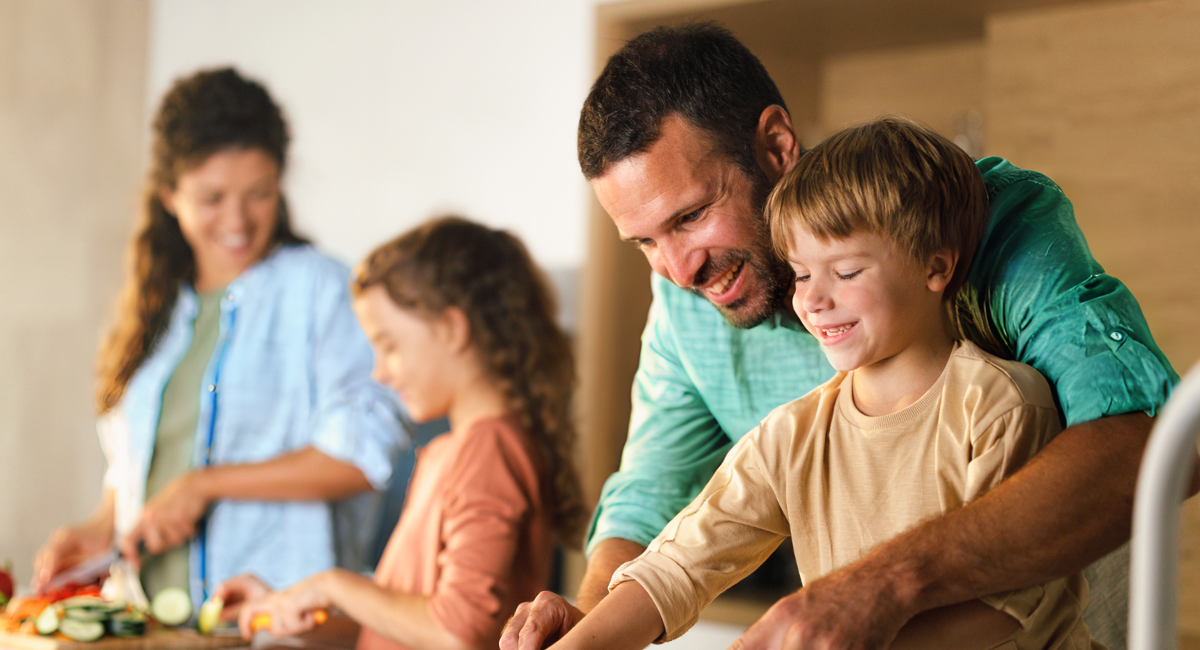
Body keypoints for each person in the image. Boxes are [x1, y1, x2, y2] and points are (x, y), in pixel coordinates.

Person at [503, 23, 1184, 650]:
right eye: (644, 241)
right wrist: (591, 621)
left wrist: (878, 588)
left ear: (775, 147)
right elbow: (660, 514)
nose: (679, 270)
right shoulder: (766, 396)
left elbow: (1141, 445)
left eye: (692, 216)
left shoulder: (978, 236)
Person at [547, 117, 1101, 650]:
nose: (813, 299)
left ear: (935, 266)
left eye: (848, 271)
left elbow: (1010, 607)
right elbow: (676, 566)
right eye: (803, 273)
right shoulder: (791, 435)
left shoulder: (999, 406)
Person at [32, 68, 408, 606]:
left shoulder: (324, 291)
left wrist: (205, 484)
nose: (237, 219)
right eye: (212, 198)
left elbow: (362, 456)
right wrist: (101, 526)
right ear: (169, 194)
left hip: (276, 625)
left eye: (259, 193)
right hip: (150, 624)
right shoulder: (155, 305)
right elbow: (140, 464)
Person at [216, 217, 585, 650]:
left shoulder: (490, 449)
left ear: (451, 328)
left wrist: (332, 585)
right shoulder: (449, 452)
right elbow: (400, 629)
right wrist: (285, 608)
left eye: (389, 346)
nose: (379, 372)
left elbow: (455, 632)